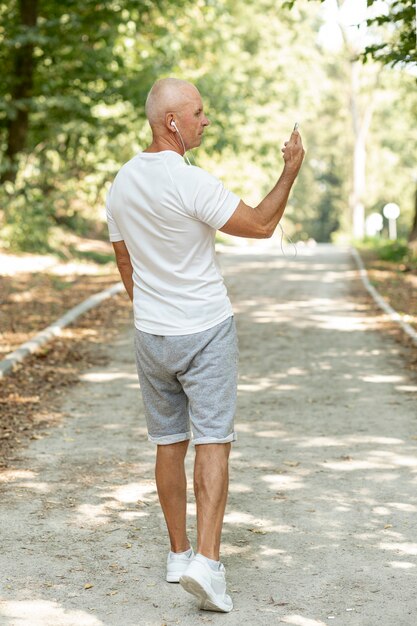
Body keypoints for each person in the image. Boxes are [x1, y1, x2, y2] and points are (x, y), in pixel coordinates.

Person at [106, 77, 304, 613]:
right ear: (172, 122)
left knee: (168, 441)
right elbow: (262, 225)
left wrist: (152, 308)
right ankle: (209, 565)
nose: (205, 119)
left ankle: (178, 554)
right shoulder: (188, 182)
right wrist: (289, 171)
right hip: (206, 328)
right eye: (197, 112)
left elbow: (125, 262)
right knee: (213, 439)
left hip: (152, 333)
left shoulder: (120, 183)